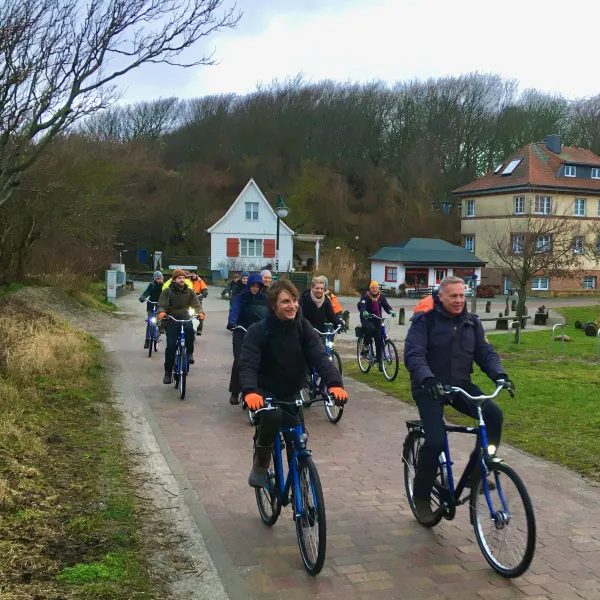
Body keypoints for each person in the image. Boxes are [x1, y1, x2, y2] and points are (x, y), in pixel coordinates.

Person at [404, 276, 513, 525]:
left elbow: (485, 353)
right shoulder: (425, 321)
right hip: (429, 387)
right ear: (440, 296)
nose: (458, 300)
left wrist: (500, 375)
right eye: (453, 296)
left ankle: (479, 471)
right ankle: (421, 498)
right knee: (435, 440)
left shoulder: (470, 322)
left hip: (460, 386)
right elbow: (414, 354)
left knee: (493, 416)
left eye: (462, 296)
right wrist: (428, 379)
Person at [239, 279, 348, 488]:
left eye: (295, 300)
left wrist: (334, 384)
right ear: (274, 306)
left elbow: (319, 357)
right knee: (272, 416)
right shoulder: (258, 331)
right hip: (265, 391)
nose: (292, 306)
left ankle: (301, 490)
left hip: (291, 391)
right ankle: (261, 462)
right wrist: (250, 391)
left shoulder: (303, 327)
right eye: (285, 301)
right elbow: (247, 364)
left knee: (298, 441)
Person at [226, 273, 268, 405]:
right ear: (248, 285)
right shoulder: (241, 297)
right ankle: (234, 391)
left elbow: (271, 313)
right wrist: (232, 322)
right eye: (253, 286)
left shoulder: (265, 299)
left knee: (264, 360)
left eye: (257, 286)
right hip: (241, 331)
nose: (255, 289)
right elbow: (235, 310)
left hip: (258, 333)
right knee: (240, 361)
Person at [158, 269, 204, 385]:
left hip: (185, 317)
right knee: (171, 346)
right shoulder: (167, 292)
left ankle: (189, 353)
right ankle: (168, 373)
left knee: (190, 332)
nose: (182, 280)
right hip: (171, 318)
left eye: (183, 278)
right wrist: (162, 313)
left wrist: (200, 313)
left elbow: (196, 304)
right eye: (179, 278)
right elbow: (162, 305)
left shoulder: (190, 292)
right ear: (174, 280)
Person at [358, 281, 396, 370]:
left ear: (378, 288)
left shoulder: (381, 297)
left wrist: (390, 311)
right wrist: (364, 312)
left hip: (377, 318)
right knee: (370, 329)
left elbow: (386, 306)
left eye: (376, 287)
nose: (374, 289)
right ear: (370, 289)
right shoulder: (365, 297)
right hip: (366, 318)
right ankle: (365, 345)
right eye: (373, 288)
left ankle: (380, 363)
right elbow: (362, 306)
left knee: (379, 340)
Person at [139, 271, 164, 348]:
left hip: (160, 305)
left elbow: (167, 294)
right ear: (154, 279)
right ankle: (147, 340)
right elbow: (146, 292)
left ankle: (160, 328)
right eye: (158, 278)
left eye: (161, 278)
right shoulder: (151, 285)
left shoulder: (164, 286)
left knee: (161, 318)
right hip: (151, 304)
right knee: (150, 322)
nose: (160, 280)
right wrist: (143, 297)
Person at [188, 270, 208, 335]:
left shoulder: (200, 281)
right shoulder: (187, 281)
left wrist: (202, 294)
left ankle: (199, 329)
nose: (192, 275)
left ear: (196, 274)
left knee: (200, 313)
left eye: (194, 274)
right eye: (191, 274)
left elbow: (205, 290)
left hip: (197, 299)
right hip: (188, 299)